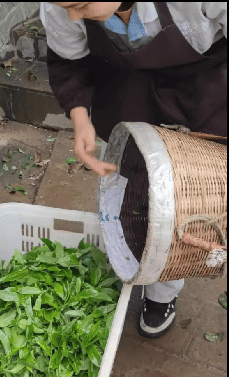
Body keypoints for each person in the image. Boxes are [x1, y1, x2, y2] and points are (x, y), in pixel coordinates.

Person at [41, 2, 227, 338]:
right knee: (144, 195)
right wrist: (79, 117)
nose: (71, 15)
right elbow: (67, 60)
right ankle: (157, 285)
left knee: (195, 199)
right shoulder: (61, 7)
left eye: (80, 5)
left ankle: (167, 284)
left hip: (202, 88)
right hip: (128, 90)